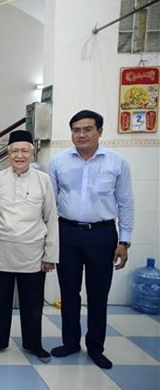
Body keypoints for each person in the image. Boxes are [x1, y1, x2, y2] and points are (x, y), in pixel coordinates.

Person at [49, 110, 134, 369]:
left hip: (102, 235)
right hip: (67, 233)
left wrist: (124, 240)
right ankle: (71, 342)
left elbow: (126, 203)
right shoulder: (59, 162)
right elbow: (50, 204)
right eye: (76, 129)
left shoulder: (117, 162)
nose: (81, 134)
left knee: (98, 294)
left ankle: (96, 347)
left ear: (100, 131)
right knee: (69, 292)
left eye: (87, 129)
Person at [0, 130, 58, 363]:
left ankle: (34, 344)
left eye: (24, 151)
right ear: (7, 153)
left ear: (32, 153)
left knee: (32, 304)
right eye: (14, 151)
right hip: (1, 251)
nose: (19, 155)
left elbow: (51, 219)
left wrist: (50, 254)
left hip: (32, 253)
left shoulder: (43, 181)